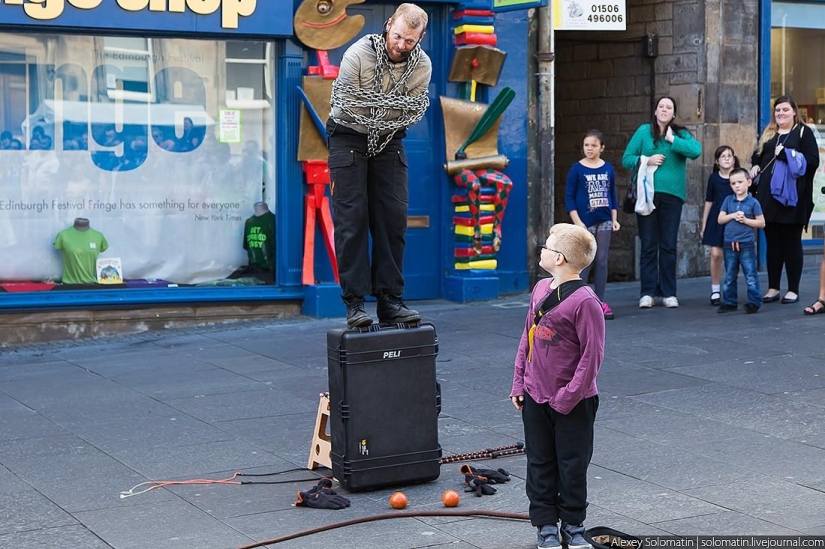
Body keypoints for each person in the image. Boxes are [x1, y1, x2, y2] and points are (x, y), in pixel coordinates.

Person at [327, 3, 432, 327]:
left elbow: (410, 111)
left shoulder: (422, 66)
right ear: (388, 25)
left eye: (409, 41)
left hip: (389, 140)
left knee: (392, 219)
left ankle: (390, 300)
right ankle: (355, 305)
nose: (400, 45)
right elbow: (349, 103)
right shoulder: (357, 54)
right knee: (352, 221)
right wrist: (387, 106)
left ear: (420, 38)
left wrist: (382, 108)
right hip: (348, 136)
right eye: (398, 36)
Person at [510, 223, 603, 549]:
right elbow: (528, 337)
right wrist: (518, 381)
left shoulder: (585, 302)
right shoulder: (539, 290)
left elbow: (592, 358)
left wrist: (566, 398)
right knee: (539, 463)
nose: (542, 250)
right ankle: (546, 526)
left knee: (572, 465)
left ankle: (574, 526)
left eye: (548, 247)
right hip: (535, 395)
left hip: (572, 402)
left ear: (560, 258)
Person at [622, 96, 702, 309]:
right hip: (646, 195)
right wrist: (646, 160)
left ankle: (668, 292)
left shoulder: (680, 134)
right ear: (655, 111)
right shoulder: (643, 132)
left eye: (669, 107)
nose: (664, 110)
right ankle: (647, 292)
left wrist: (672, 140)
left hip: (672, 197)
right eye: (661, 107)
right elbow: (626, 158)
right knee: (648, 245)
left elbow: (696, 151)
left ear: (674, 113)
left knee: (668, 245)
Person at [750, 95, 821, 305]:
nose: (781, 114)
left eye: (785, 110)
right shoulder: (769, 133)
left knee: (791, 243)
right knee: (773, 244)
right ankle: (773, 287)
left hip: (793, 198)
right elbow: (759, 155)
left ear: (794, 112)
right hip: (768, 198)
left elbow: (812, 161)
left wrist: (787, 156)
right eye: (778, 110)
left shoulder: (803, 132)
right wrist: (754, 164)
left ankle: (793, 289)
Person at [564, 129, 619, 320]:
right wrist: (577, 222)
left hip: (604, 220)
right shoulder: (576, 169)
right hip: (584, 223)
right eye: (586, 145)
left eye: (594, 145)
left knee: (602, 260)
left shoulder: (608, 168)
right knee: (584, 262)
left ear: (601, 148)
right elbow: (569, 198)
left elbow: (612, 195)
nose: (589, 148)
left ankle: (600, 302)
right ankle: (579, 303)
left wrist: (614, 219)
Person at [716, 168, 765, 314]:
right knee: (730, 274)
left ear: (748, 182)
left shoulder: (753, 202)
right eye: (733, 183)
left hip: (746, 244)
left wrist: (746, 220)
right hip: (729, 243)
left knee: (750, 274)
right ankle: (730, 301)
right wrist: (732, 216)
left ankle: (754, 302)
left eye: (740, 182)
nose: (736, 186)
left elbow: (761, 223)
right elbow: (720, 219)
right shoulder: (728, 200)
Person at [701, 146, 738, 305]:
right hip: (717, 218)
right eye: (723, 156)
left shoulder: (738, 176)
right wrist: (704, 225)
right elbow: (709, 201)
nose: (727, 158)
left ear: (734, 159)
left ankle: (730, 289)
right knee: (716, 254)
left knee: (733, 256)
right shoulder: (714, 178)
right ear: (717, 161)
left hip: (735, 218)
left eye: (730, 155)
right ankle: (715, 289)